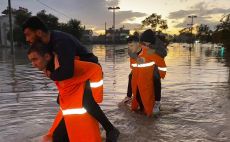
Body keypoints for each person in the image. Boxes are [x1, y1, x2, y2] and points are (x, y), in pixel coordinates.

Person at [23, 16, 119, 142]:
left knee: (86, 101)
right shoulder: (48, 43)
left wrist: (51, 75)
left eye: (28, 35)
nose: (27, 39)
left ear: (39, 32)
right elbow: (58, 67)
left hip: (89, 71)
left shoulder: (60, 41)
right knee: (61, 100)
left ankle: (110, 129)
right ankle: (69, 132)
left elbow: (67, 71)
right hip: (76, 75)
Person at [28, 41, 103, 141]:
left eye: (35, 59)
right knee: (57, 137)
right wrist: (60, 94)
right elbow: (63, 82)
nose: (33, 64)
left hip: (83, 98)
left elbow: (96, 69)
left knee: (59, 137)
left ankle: (110, 129)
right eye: (31, 61)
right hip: (70, 105)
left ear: (46, 56)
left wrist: (97, 97)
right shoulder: (47, 69)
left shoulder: (68, 65)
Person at [123, 30, 167, 114]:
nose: (146, 44)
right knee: (131, 76)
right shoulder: (137, 45)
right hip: (141, 66)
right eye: (144, 42)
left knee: (156, 78)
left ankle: (157, 102)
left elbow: (162, 55)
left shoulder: (156, 46)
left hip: (154, 63)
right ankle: (129, 96)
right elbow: (131, 53)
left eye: (147, 43)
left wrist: (160, 74)